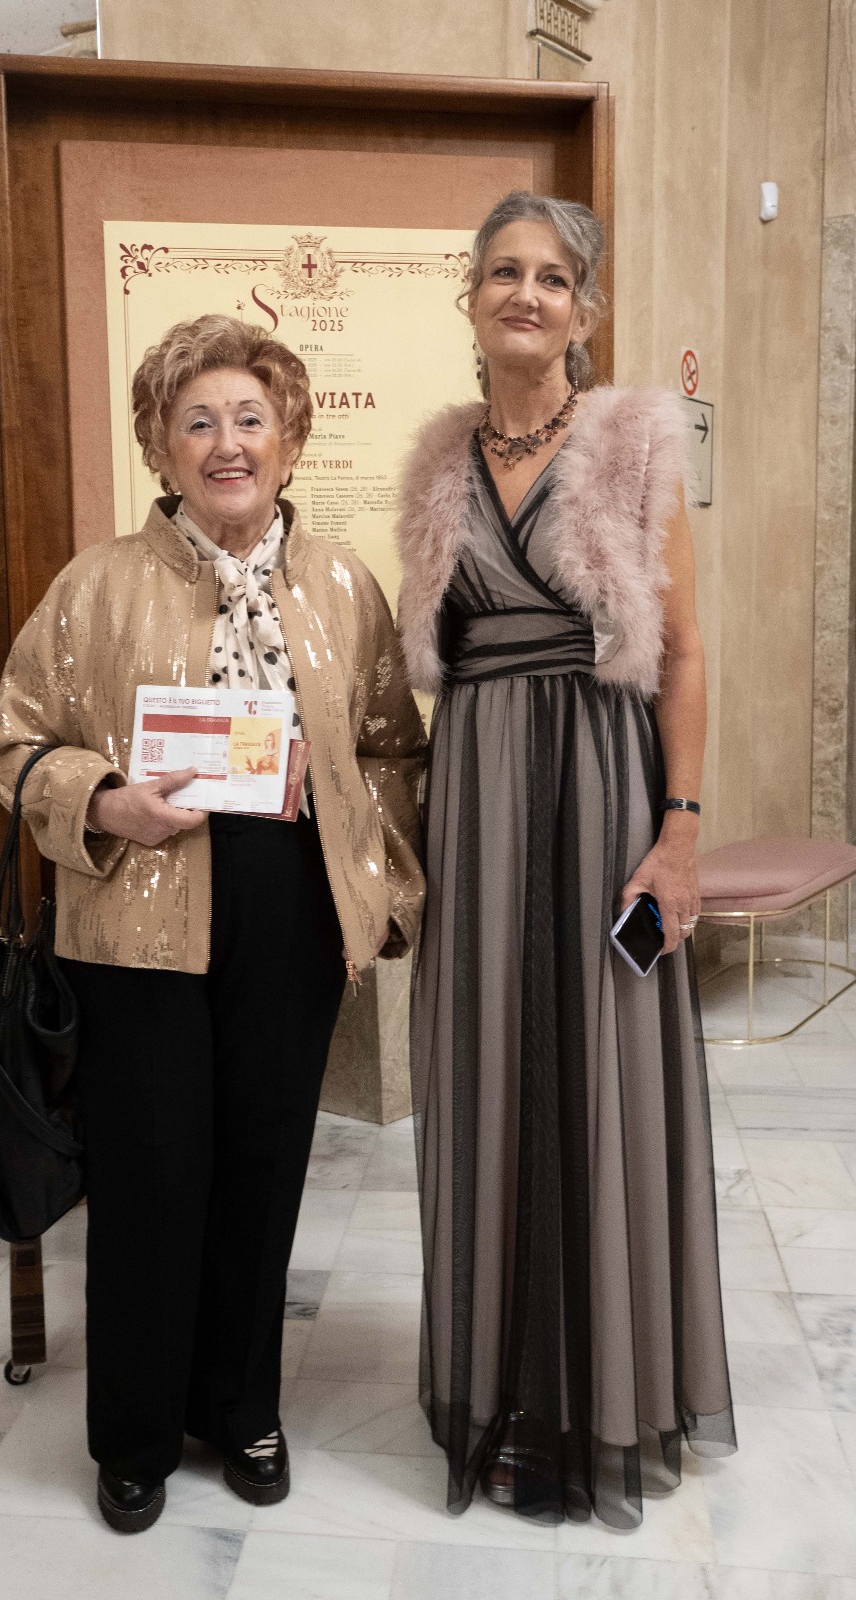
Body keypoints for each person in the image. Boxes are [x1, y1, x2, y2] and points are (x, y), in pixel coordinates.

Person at [0, 315, 426, 1534]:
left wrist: (376, 884)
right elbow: (12, 743)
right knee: (149, 1173)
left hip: (288, 912)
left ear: (288, 439)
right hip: (134, 916)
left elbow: (393, 752)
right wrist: (105, 800)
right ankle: (133, 1433)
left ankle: (243, 1406)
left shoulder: (343, 584)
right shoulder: (95, 585)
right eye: (198, 422)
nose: (227, 443)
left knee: (263, 1168)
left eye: (249, 419)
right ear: (160, 446)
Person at [397, 192, 735, 1527]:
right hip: (478, 792)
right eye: (502, 271)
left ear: (581, 310)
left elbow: (684, 652)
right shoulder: (436, 462)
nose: (524, 294)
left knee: (600, 1069)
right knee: (487, 1066)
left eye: (550, 277)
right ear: (471, 297)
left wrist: (680, 827)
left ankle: (601, 1391)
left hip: (602, 787)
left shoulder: (636, 441)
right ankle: (501, 1387)